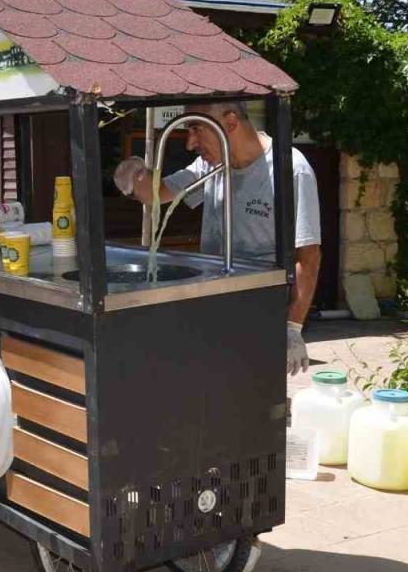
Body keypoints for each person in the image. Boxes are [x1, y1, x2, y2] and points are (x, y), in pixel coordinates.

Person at [117, 101, 321, 375]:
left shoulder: (290, 169)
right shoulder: (208, 165)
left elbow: (308, 258)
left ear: (230, 122)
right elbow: (158, 193)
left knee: (254, 396)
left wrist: (292, 328)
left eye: (197, 129)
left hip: (261, 309)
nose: (190, 144)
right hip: (212, 303)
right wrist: (133, 179)